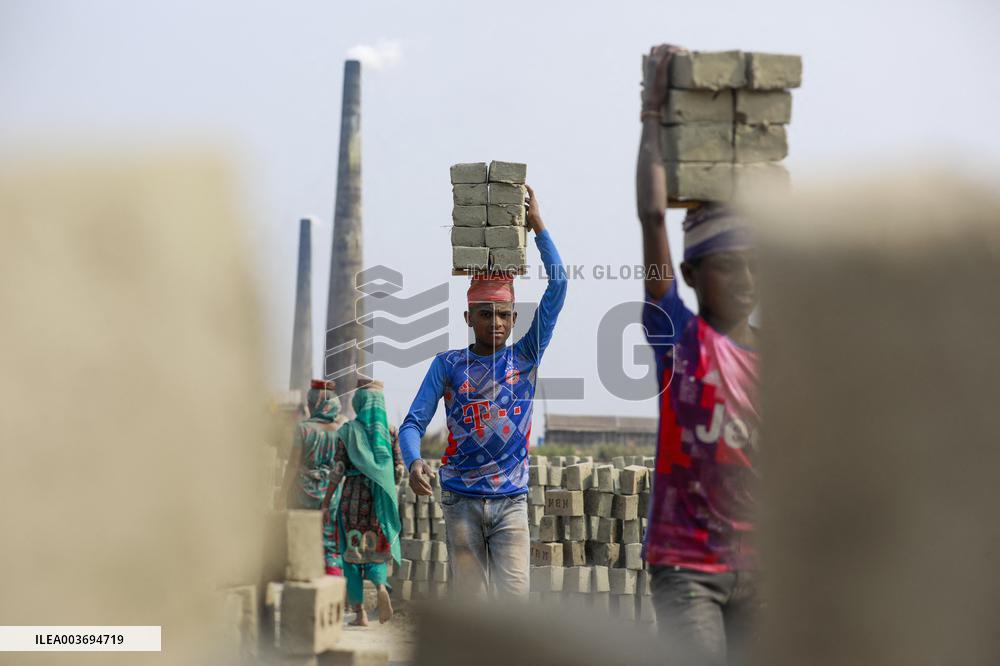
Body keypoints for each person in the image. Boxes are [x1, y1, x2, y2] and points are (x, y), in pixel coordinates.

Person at [636, 45, 761, 665]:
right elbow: (653, 215)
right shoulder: (679, 339)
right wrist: (653, 114)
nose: (744, 280)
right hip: (687, 565)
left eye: (753, 267)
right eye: (727, 267)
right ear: (688, 272)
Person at [398, 185, 567, 599]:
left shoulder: (525, 357)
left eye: (505, 315)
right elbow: (412, 423)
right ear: (468, 316)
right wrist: (415, 460)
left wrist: (539, 227)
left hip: (511, 502)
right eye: (486, 314)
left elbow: (558, 285)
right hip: (460, 502)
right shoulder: (449, 365)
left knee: (513, 606)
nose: (496, 322)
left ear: (515, 317)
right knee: (471, 610)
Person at [321, 377, 404, 626]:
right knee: (377, 550)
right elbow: (399, 470)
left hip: (351, 502)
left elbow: (337, 470)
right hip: (378, 504)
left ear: (359, 402)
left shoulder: (346, 431)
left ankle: (360, 614)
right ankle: (380, 587)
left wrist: (326, 502)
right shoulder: (390, 432)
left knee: (351, 554)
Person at [281, 378, 347, 576]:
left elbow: (293, 464)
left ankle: (303, 580)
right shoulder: (341, 430)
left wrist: (282, 492)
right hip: (331, 493)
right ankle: (332, 582)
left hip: (302, 491)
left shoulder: (303, 428)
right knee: (328, 540)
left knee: (301, 536)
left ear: (314, 404)